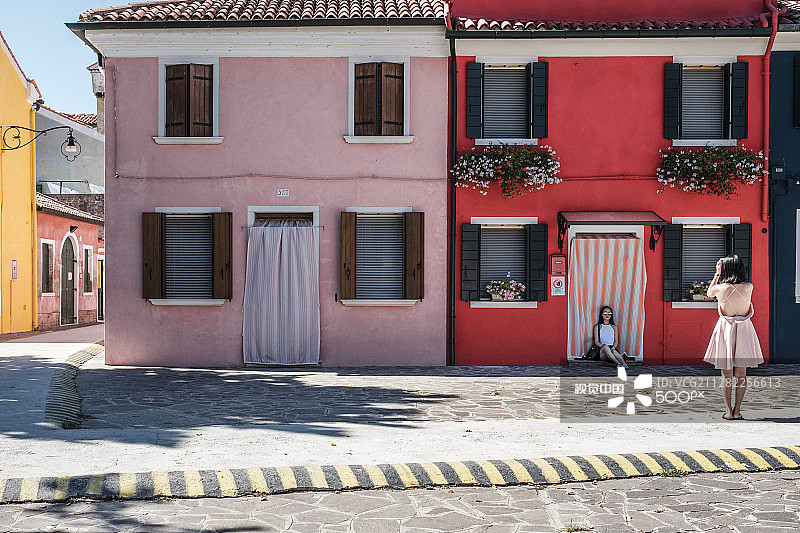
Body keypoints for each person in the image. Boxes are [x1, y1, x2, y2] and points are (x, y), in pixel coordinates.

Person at [704, 254, 764, 420]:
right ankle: (738, 411)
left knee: (727, 375)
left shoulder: (720, 288)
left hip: (726, 330)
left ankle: (728, 411)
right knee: (741, 375)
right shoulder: (749, 287)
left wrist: (716, 275)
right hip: (744, 330)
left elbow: (709, 293)